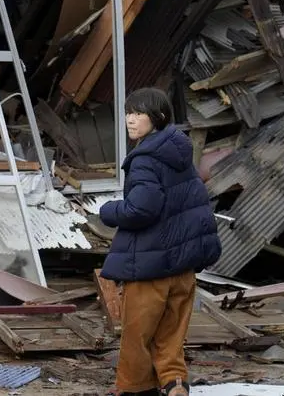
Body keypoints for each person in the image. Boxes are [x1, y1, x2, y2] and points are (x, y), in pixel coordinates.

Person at [98, 87, 222, 396]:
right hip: (183, 266)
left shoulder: (145, 159)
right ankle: (174, 382)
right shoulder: (179, 153)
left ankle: (134, 388)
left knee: (137, 334)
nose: (130, 119)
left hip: (151, 265)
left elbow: (141, 209)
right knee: (171, 333)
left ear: (159, 116)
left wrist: (108, 211)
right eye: (128, 112)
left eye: (139, 113)